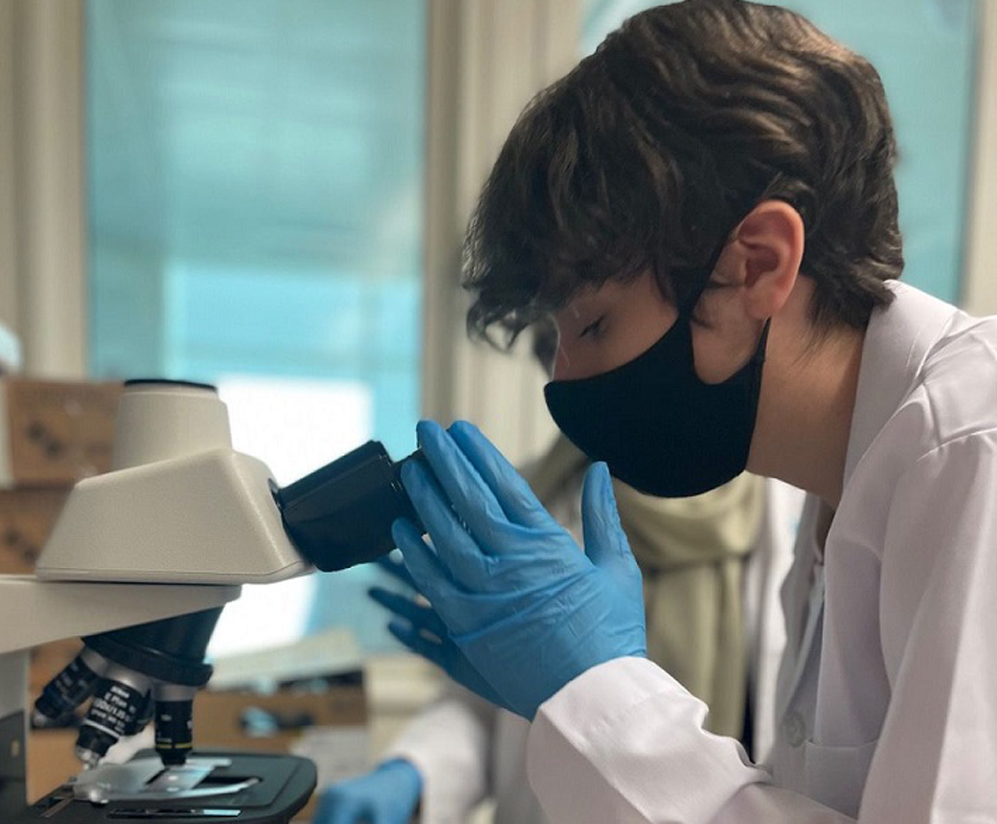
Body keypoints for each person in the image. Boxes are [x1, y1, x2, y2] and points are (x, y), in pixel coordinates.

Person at [366, 0, 997, 821]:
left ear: (757, 265)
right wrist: (565, 702)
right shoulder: (844, 483)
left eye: (592, 324)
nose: (563, 381)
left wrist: (597, 694)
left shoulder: (972, 450)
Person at [312, 322, 769, 824]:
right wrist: (413, 772)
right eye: (548, 350)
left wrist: (597, 683)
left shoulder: (783, 517)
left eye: (594, 329)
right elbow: (489, 708)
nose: (563, 373)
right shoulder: (530, 500)